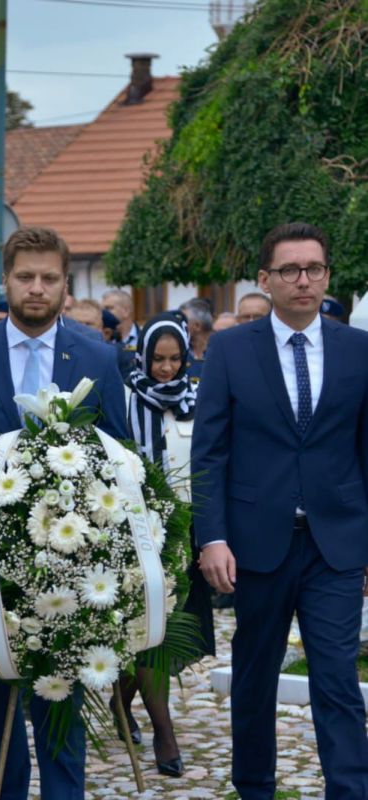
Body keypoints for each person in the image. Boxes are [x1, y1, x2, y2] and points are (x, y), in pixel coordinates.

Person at [0, 225, 128, 800]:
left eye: (48, 278)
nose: (37, 288)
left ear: (65, 284)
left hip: (71, 558)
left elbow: (123, 453)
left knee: (62, 692)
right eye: (26, 277)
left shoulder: (97, 355)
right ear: (5, 281)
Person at [192, 222, 368, 800]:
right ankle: (254, 788)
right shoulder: (230, 349)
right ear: (265, 279)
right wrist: (212, 536)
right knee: (255, 674)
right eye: (290, 270)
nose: (303, 280)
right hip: (255, 543)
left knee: (337, 677)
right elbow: (209, 452)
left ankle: (350, 789)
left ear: (327, 276)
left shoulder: (358, 349)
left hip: (335, 543)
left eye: (314, 269)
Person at [115, 311, 216, 778]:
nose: (166, 368)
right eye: (158, 358)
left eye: (175, 359)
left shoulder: (200, 400)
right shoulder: (124, 400)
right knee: (148, 631)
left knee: (175, 635)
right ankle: (164, 731)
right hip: (137, 534)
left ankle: (121, 701)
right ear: (143, 356)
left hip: (188, 534)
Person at [179, 298, 213, 384]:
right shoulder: (179, 351)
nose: (178, 325)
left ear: (197, 326)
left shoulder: (219, 352)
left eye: (182, 321)